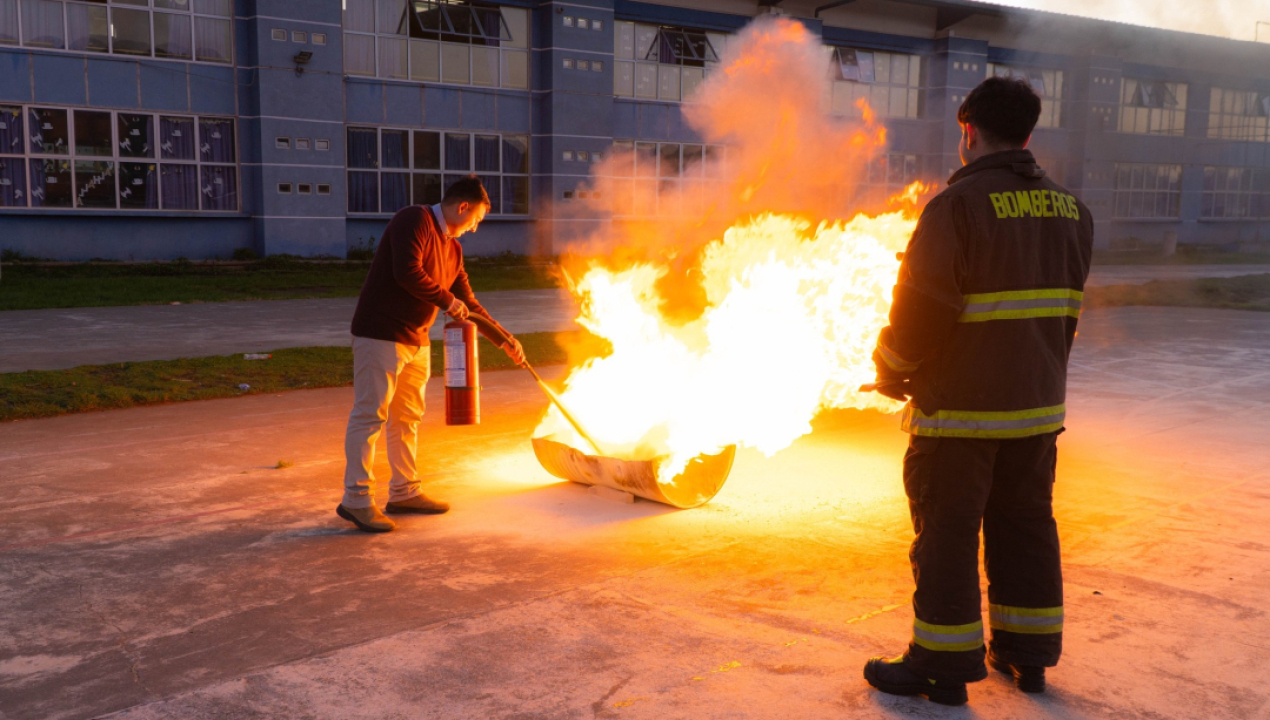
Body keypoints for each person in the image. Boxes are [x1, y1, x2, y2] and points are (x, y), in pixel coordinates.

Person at [862, 77, 1094, 705]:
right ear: (1027, 131)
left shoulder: (957, 207)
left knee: (947, 534)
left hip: (960, 415)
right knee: (1026, 525)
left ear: (967, 129)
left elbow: (921, 310)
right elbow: (1061, 316)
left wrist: (890, 366)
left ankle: (940, 666)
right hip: (1037, 411)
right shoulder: (1074, 211)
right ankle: (1028, 655)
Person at [336, 175, 525, 534]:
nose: (475, 228)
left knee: (407, 418)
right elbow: (407, 272)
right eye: (477, 219)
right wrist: (447, 301)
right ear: (463, 207)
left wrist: (503, 338)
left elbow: (467, 302)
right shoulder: (414, 220)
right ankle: (356, 500)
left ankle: (405, 492)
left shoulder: (452, 248)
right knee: (370, 415)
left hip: (417, 340)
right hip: (381, 334)